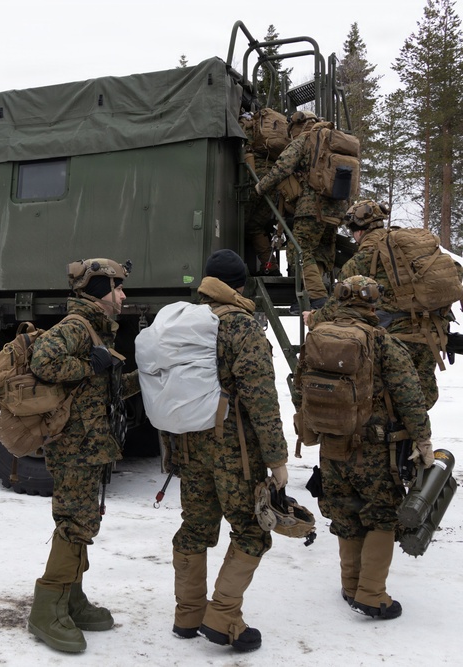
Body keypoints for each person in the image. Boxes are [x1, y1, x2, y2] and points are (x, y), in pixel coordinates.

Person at [170, 249, 289, 653]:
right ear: (239, 285)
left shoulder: (183, 322)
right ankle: (222, 618)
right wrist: (277, 461)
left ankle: (187, 615)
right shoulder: (242, 327)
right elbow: (261, 399)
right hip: (233, 451)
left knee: (196, 527)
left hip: (189, 445)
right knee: (252, 530)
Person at [294, 275, 432, 619]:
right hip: (374, 449)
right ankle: (372, 595)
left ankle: (350, 584)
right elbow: (410, 395)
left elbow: (300, 388)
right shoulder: (383, 342)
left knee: (345, 512)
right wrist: (423, 439)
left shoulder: (317, 339)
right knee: (381, 516)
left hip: (331, 447)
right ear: (373, 304)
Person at [26, 258, 140, 654]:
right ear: (98, 291)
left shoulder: (99, 331)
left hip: (90, 443)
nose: (123, 295)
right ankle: (47, 609)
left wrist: (145, 377)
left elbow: (103, 390)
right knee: (75, 522)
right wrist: (89, 363)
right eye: (117, 287)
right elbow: (43, 360)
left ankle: (72, 600)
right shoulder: (77, 327)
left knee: (82, 519)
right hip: (73, 445)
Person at [307, 200, 461, 410]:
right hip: (431, 333)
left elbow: (336, 305)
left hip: (396, 341)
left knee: (385, 402)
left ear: (358, 232)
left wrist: (313, 318)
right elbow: (456, 270)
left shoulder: (360, 260)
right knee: (421, 399)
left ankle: (396, 441)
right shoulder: (406, 249)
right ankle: (416, 441)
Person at [255, 111, 349, 309]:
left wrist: (261, 187)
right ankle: (310, 292)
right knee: (321, 251)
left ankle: (317, 297)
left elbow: (283, 167)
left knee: (299, 250)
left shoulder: (305, 139)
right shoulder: (334, 140)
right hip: (338, 208)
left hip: (312, 207)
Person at [240, 112, 281, 276]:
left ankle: (236, 270)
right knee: (254, 226)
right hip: (273, 181)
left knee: (239, 223)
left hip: (256, 180)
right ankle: (271, 267)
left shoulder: (246, 125)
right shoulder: (269, 131)